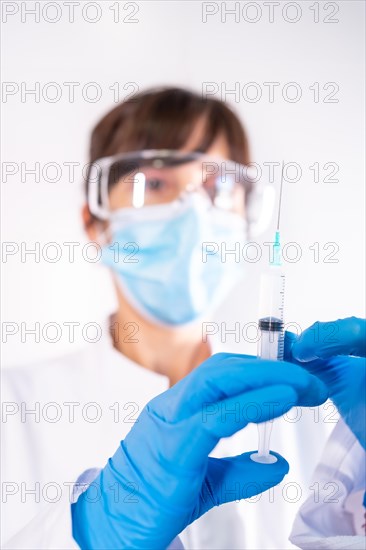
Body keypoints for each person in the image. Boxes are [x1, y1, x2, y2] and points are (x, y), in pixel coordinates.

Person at [1, 87, 336, 549]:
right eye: (155, 184)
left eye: (219, 186)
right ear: (96, 224)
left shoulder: (311, 409)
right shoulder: (13, 410)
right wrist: (89, 535)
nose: (194, 212)